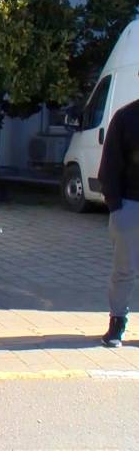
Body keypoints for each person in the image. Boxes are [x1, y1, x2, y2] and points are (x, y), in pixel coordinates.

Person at [99, 99, 139, 348]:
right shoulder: (126, 117)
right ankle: (118, 321)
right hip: (129, 205)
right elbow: (110, 164)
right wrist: (116, 205)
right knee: (124, 270)